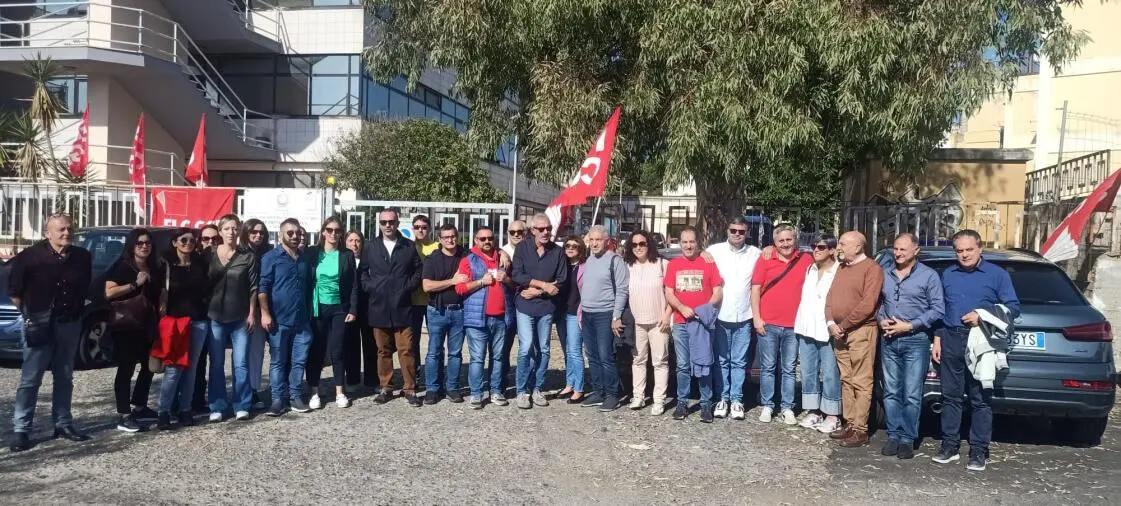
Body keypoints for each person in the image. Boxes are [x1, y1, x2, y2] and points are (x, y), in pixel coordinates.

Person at [932, 229, 1019, 472]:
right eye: (959, 251)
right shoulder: (948, 274)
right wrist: (938, 338)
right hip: (951, 338)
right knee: (950, 396)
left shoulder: (997, 275)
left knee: (980, 399)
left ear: (980, 248)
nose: (964, 255)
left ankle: (978, 451)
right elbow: (941, 310)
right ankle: (949, 446)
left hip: (982, 342)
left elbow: (1013, 308)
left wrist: (982, 316)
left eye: (969, 249)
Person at [8, 214, 92, 452]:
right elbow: (15, 293)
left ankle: (63, 423)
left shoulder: (82, 257)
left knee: (65, 375)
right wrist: (32, 314)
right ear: (47, 233)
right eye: (60, 229)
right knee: (30, 378)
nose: (66, 233)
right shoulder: (29, 257)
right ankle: (21, 429)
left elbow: (84, 286)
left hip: (69, 324)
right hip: (39, 325)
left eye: (69, 228)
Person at [877, 233, 945, 460]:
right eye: (895, 249)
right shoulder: (885, 274)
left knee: (912, 393)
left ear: (915, 250)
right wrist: (881, 320)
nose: (897, 253)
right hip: (889, 339)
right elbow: (878, 305)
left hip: (915, 339)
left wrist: (910, 326)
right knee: (891, 391)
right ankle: (893, 435)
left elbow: (937, 309)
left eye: (903, 250)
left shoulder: (929, 276)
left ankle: (908, 438)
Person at [824, 231, 884, 448]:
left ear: (858, 247)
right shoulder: (842, 267)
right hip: (839, 332)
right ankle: (849, 423)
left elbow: (868, 304)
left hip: (860, 331)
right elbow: (830, 296)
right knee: (846, 379)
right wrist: (830, 321)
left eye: (843, 244)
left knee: (861, 380)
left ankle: (860, 429)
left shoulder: (872, 269)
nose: (838, 247)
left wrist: (843, 325)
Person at [360, 209, 424, 406]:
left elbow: (418, 270)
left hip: (403, 306)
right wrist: (372, 287)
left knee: (406, 350)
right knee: (383, 351)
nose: (388, 225)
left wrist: (407, 287)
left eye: (391, 222)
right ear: (379, 224)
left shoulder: (408, 246)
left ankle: (409, 389)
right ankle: (386, 387)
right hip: (379, 306)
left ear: (397, 223)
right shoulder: (370, 247)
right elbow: (362, 273)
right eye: (384, 222)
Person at [751, 224, 813, 424]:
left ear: (795, 240)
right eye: (781, 241)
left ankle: (787, 407)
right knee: (768, 367)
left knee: (788, 368)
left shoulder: (806, 259)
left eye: (789, 240)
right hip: (768, 322)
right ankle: (768, 405)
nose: (786, 244)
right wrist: (757, 317)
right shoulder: (765, 259)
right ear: (774, 243)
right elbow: (755, 289)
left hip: (794, 324)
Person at [104, 228, 164, 432]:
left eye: (147, 243)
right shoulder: (122, 267)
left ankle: (139, 405)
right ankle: (124, 414)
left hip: (147, 324)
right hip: (126, 325)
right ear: (132, 246)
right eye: (140, 243)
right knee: (126, 369)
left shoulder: (155, 267)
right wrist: (133, 284)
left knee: (149, 367)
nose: (144, 246)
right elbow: (108, 292)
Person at [663, 226, 723, 423]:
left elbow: (717, 291)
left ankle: (706, 404)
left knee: (705, 363)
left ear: (698, 243)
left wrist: (705, 309)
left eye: (692, 241)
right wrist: (682, 307)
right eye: (684, 242)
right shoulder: (674, 265)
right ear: (679, 243)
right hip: (681, 322)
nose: (688, 245)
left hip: (703, 323)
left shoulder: (708, 263)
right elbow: (669, 293)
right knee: (682, 365)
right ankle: (682, 402)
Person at [704, 217, 761, 420]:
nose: (737, 234)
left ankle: (737, 400)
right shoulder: (714, 251)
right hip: (720, 315)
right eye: (733, 230)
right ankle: (722, 398)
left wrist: (771, 249)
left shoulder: (755, 253)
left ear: (747, 233)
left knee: (739, 361)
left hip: (744, 316)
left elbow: (770, 259)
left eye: (741, 231)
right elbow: (697, 260)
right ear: (727, 230)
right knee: (721, 360)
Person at [205, 214, 259, 422]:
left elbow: (254, 287)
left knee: (241, 362)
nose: (231, 232)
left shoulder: (248, 256)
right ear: (220, 232)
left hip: (240, 316)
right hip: (216, 315)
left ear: (239, 231)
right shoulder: (209, 255)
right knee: (216, 363)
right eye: (227, 228)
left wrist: (252, 313)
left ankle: (242, 404)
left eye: (234, 228)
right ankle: (217, 405)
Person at [511, 214, 568, 409]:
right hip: (525, 307)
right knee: (526, 347)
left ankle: (537, 389)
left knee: (543, 349)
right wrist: (543, 284)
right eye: (542, 229)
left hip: (545, 307)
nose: (546, 232)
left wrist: (537, 291)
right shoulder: (522, 249)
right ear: (533, 230)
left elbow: (560, 281)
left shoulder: (557, 252)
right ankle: (521, 390)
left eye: (549, 229)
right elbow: (517, 275)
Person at [258, 219, 315, 415]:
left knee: (299, 361)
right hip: (278, 320)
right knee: (278, 362)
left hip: (301, 320)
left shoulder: (305, 258)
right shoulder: (271, 257)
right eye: (290, 233)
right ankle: (277, 399)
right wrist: (265, 313)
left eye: (297, 233)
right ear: (281, 234)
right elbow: (263, 287)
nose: (294, 236)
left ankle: (296, 397)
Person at [303, 217, 360, 410]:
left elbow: (354, 284)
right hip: (317, 306)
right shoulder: (312, 253)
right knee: (316, 350)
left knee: (337, 349)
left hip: (339, 308)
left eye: (337, 230)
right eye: (329, 230)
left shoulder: (346, 255)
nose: (333, 234)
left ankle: (339, 391)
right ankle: (314, 391)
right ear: (323, 232)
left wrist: (353, 309)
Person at [155, 228, 209, 430]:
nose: (188, 243)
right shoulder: (166, 266)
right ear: (174, 243)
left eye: (192, 240)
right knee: (173, 369)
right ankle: (164, 411)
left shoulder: (200, 264)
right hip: (175, 322)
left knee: (191, 370)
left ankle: (185, 409)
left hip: (198, 321)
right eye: (183, 240)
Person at [455, 226, 515, 408]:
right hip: (477, 318)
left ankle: (496, 391)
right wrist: (481, 281)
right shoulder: (468, 261)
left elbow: (515, 286)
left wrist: (507, 279)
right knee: (477, 358)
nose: (487, 241)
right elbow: (459, 288)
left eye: (490, 238)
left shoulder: (503, 259)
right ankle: (476, 393)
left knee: (498, 357)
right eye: (482, 239)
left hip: (501, 318)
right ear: (475, 241)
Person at [792, 234, 843, 434]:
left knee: (830, 373)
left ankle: (832, 414)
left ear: (832, 249)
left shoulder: (840, 271)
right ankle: (813, 410)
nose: (816, 250)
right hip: (806, 326)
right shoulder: (810, 268)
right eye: (814, 246)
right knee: (808, 371)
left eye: (821, 247)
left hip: (827, 328)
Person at [575, 226, 629, 412]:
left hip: (605, 314)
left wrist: (616, 316)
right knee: (593, 355)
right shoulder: (588, 260)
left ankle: (612, 395)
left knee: (606, 356)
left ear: (607, 241)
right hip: (588, 314)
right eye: (592, 239)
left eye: (599, 240)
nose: (595, 243)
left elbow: (622, 290)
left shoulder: (615, 260)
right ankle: (598, 391)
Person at [624, 230, 672, 415]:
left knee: (660, 361)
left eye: (642, 243)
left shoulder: (662, 264)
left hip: (659, 321)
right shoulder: (627, 266)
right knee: (638, 360)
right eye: (634, 244)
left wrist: (667, 315)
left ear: (649, 244)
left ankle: (659, 400)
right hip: (636, 322)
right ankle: (638, 396)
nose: (638, 247)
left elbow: (671, 293)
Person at [421, 223, 468, 404]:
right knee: (434, 352)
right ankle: (433, 389)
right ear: (440, 240)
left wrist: (503, 254)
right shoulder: (432, 259)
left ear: (457, 237)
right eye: (446, 237)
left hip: (459, 311)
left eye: (453, 236)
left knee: (455, 353)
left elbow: (485, 253)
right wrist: (452, 281)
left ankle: (453, 388)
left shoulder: (465, 255)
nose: (450, 240)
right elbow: (427, 286)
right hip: (437, 311)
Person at [242, 219, 272, 411]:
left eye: (261, 232)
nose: (258, 235)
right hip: (240, 309)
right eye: (253, 231)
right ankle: (241, 391)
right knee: (240, 355)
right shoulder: (238, 252)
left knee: (256, 353)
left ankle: (252, 390)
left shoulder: (269, 253)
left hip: (262, 310)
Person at [554, 235, 587, 404]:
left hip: (576, 312)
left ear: (580, 248)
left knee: (575, 351)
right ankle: (570, 383)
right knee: (567, 349)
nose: (571, 248)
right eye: (567, 245)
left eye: (575, 245)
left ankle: (579, 388)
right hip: (562, 312)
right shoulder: (563, 266)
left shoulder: (584, 266)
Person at [192, 223, 221, 413]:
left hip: (219, 315)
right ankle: (195, 399)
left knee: (217, 360)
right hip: (199, 315)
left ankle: (216, 399)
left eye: (214, 239)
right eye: (206, 239)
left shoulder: (223, 257)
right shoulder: (194, 261)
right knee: (198, 360)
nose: (210, 242)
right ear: (199, 241)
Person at [343, 230, 376, 391]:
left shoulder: (369, 261)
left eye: (357, 241)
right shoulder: (343, 260)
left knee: (371, 344)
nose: (354, 244)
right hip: (349, 308)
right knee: (351, 345)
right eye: (350, 240)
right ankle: (352, 379)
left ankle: (372, 380)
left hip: (369, 307)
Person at [498, 219, 527, 395]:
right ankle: (500, 384)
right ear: (507, 233)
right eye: (512, 232)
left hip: (526, 304)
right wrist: (500, 251)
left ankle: (526, 384)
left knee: (528, 347)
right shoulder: (501, 252)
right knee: (503, 347)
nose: (516, 235)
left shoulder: (531, 250)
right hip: (507, 305)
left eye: (520, 232)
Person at [410, 215, 439, 383]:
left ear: (429, 229)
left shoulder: (437, 246)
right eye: (417, 227)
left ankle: (434, 373)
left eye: (424, 227)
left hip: (433, 300)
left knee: (435, 340)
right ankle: (416, 372)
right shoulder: (409, 247)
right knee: (413, 341)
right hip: (413, 301)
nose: (420, 230)